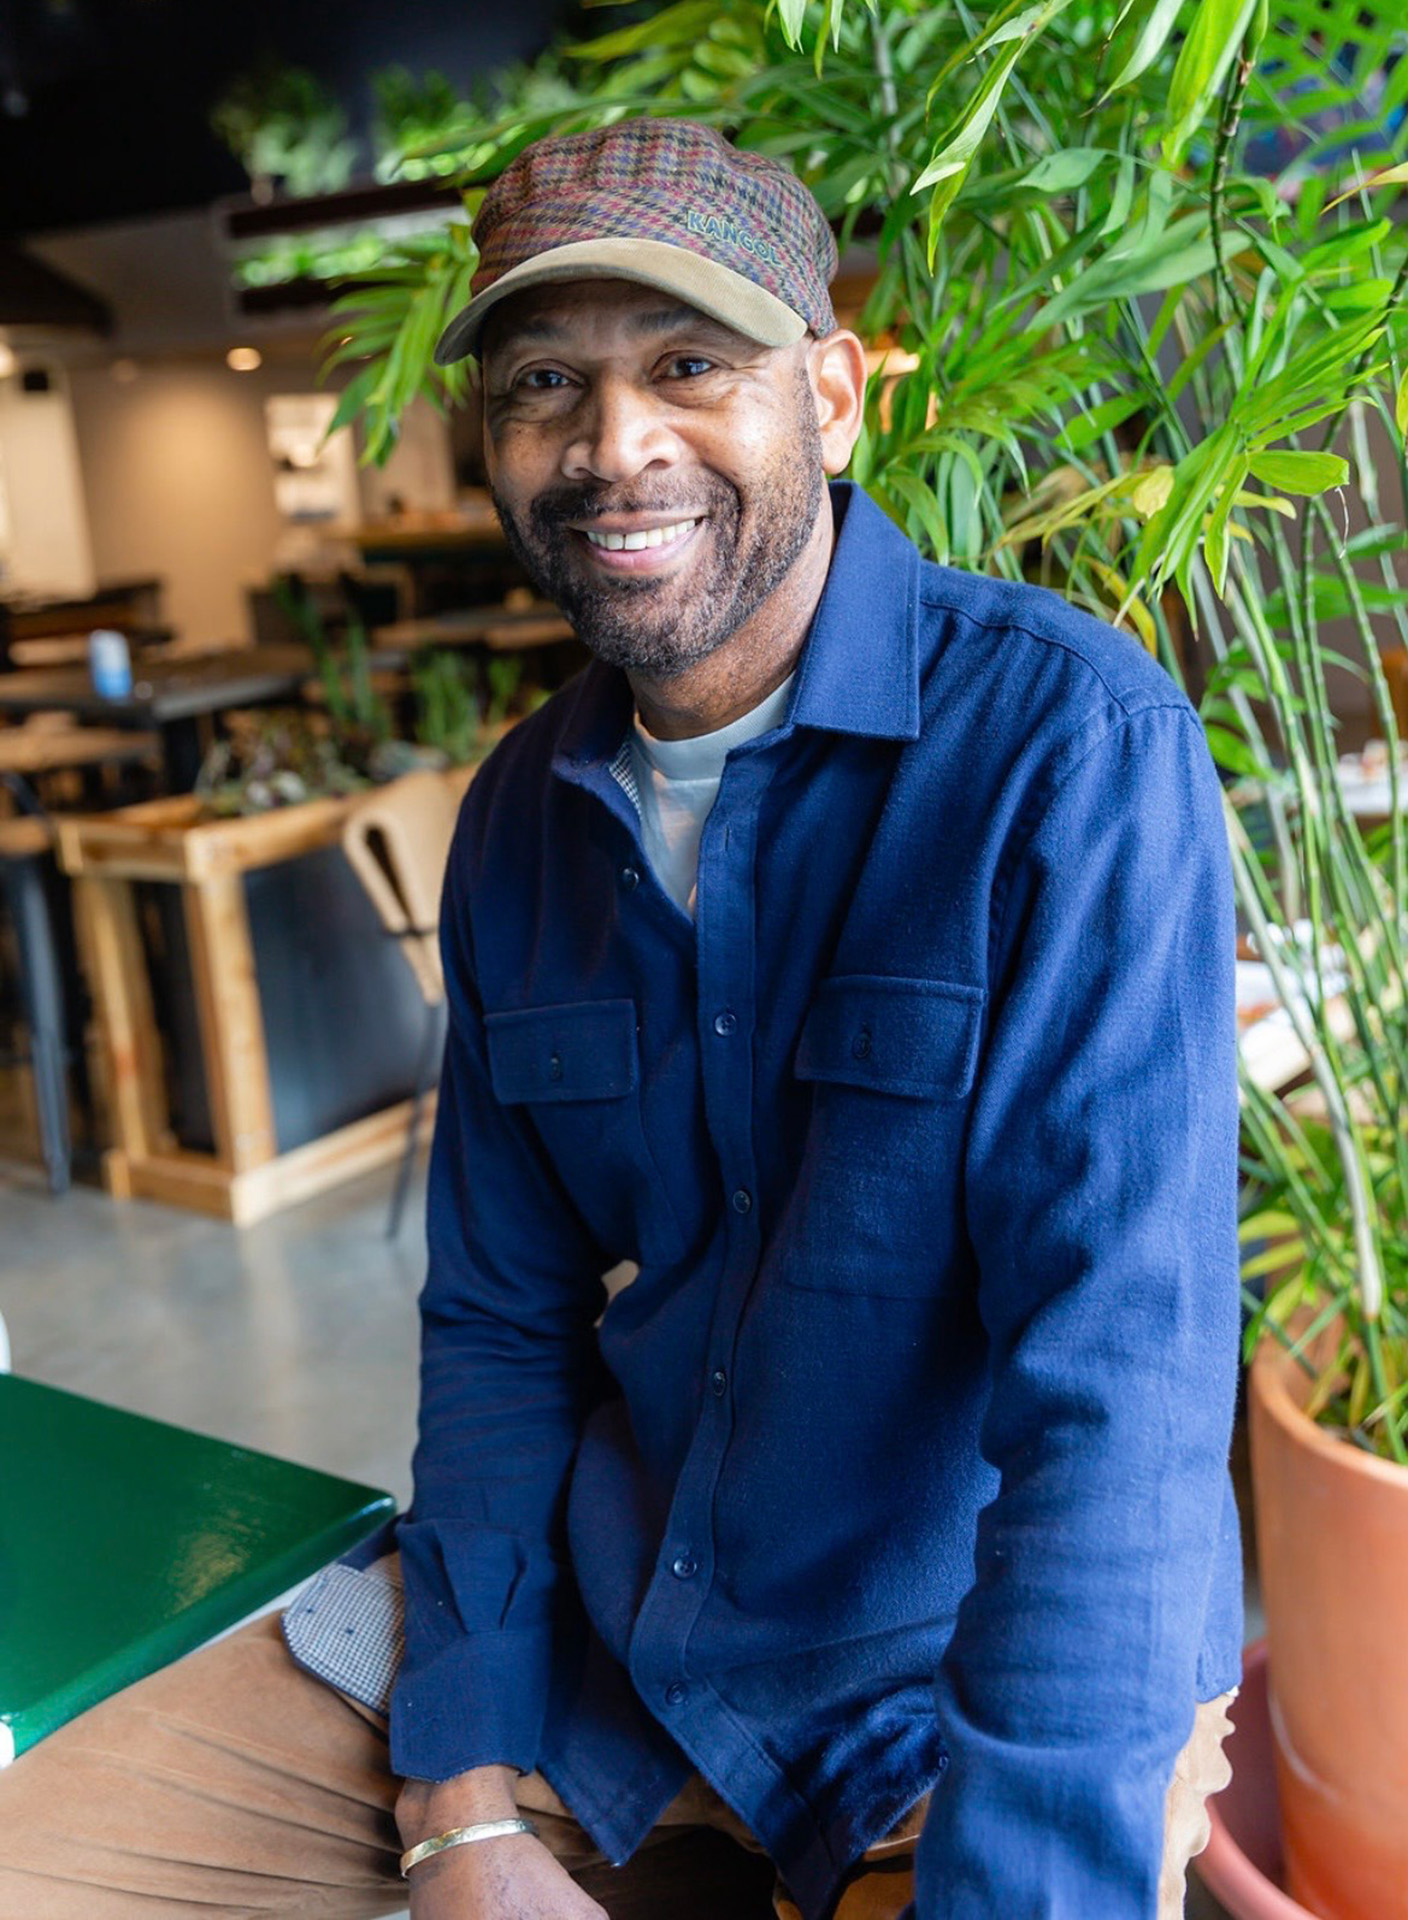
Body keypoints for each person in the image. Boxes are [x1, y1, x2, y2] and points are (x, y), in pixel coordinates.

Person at [0, 119, 1242, 1920]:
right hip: (618, 1650)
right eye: (542, 385)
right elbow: (501, 1325)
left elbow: (1117, 1401)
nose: (613, 444)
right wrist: (461, 1807)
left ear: (830, 390)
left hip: (956, 1688)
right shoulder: (517, 816)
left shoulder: (1066, 752)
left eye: (686, 366)